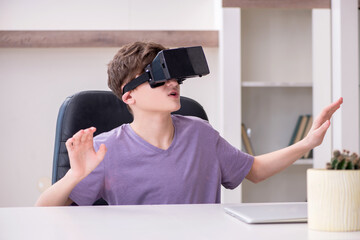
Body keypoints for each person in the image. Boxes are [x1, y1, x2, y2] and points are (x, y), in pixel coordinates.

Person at [35, 42, 343, 206]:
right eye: (158, 77)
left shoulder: (200, 133)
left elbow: (255, 171)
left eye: (175, 76)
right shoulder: (104, 150)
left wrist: (307, 143)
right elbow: (44, 212)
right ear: (129, 97)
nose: (173, 84)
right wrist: (75, 175)